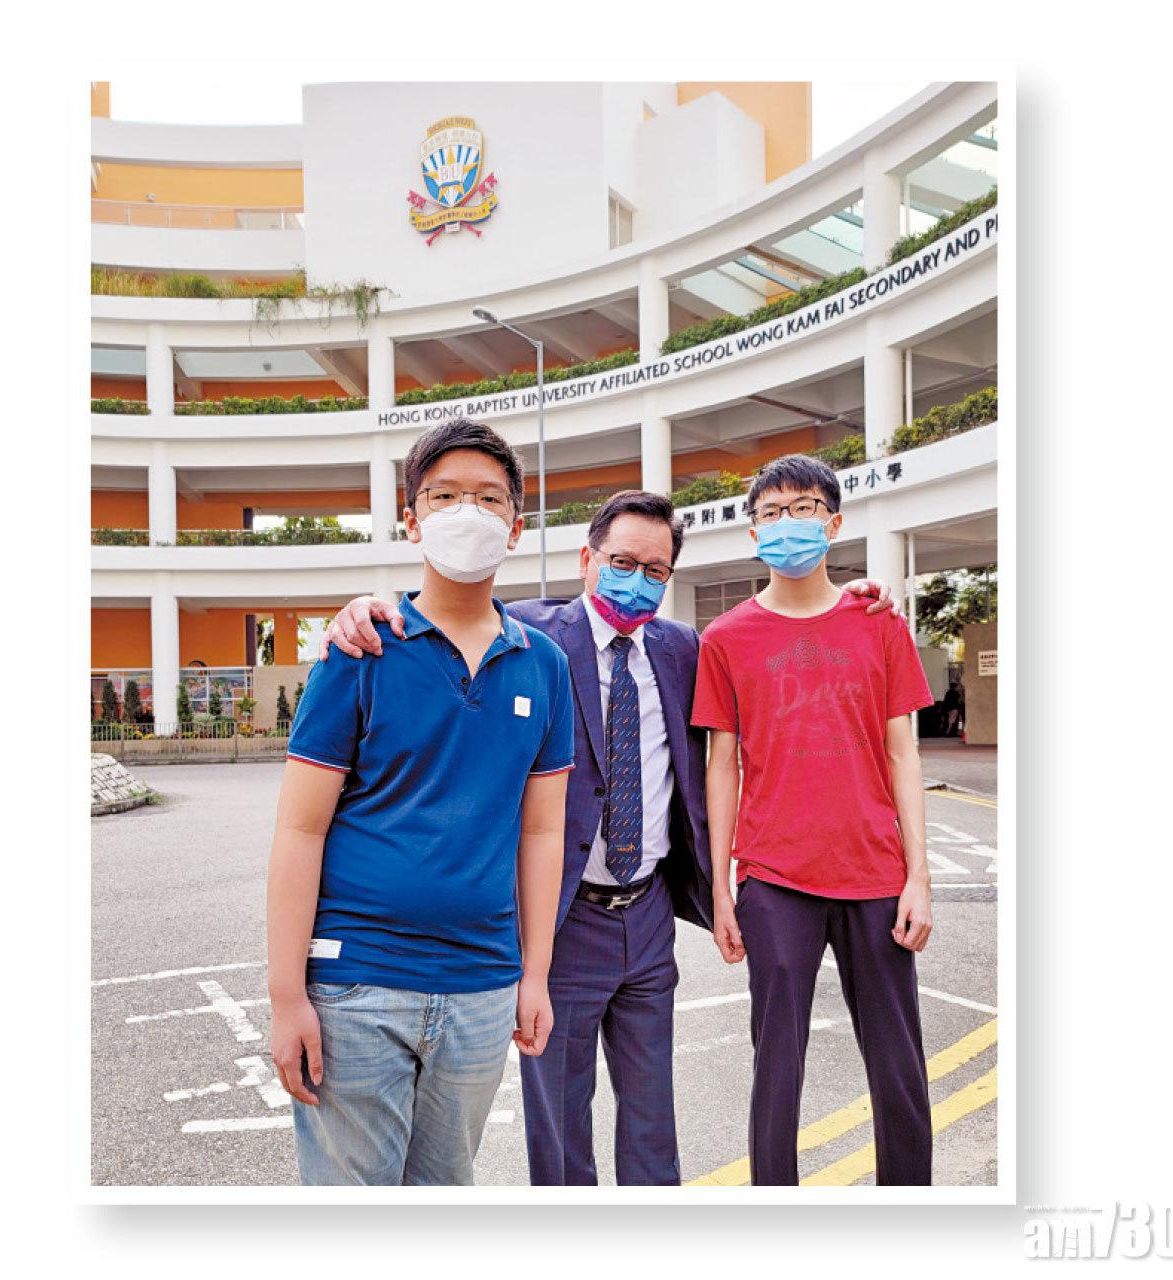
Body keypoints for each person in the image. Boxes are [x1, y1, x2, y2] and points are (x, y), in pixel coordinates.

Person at [320, 486, 899, 1185]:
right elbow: (447, 616)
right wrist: (364, 609)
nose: (637, 581)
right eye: (622, 562)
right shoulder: (529, 635)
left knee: (653, 1120)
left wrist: (857, 594)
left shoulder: (683, 648)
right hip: (565, 918)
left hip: (649, 914)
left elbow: (778, 642)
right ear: (586, 559)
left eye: (656, 571)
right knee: (562, 1125)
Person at [266, 419, 574, 1186]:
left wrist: (535, 974)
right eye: (444, 496)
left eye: (489, 498)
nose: (468, 512)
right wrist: (285, 996)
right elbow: (300, 829)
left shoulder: (544, 665)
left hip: (482, 985)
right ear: (412, 520)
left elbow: (543, 833)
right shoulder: (359, 650)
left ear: (516, 526)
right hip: (355, 985)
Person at [691, 453, 937, 1186]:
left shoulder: (877, 623)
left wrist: (919, 876)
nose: (787, 523)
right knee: (776, 1068)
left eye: (803, 509)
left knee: (899, 1068)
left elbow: (903, 753)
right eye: (771, 512)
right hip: (775, 879)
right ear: (752, 532)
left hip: (875, 875)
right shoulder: (725, 637)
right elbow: (721, 766)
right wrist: (722, 887)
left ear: (833, 524)